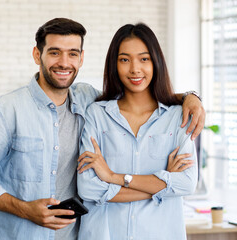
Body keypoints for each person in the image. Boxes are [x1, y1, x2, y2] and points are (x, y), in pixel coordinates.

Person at [0, 18, 204, 240]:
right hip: (22, 234)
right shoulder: (6, 109)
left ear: (81, 58)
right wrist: (26, 210)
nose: (64, 63)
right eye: (54, 53)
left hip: (74, 235)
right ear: (37, 55)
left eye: (72, 54)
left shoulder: (88, 100)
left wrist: (189, 97)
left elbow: (138, 94)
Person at [77, 22, 198, 240]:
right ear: (114, 64)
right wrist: (162, 183)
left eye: (144, 59)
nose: (135, 69)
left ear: (156, 62)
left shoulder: (177, 117)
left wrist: (114, 177)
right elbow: (88, 188)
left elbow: (187, 183)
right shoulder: (96, 114)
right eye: (125, 59)